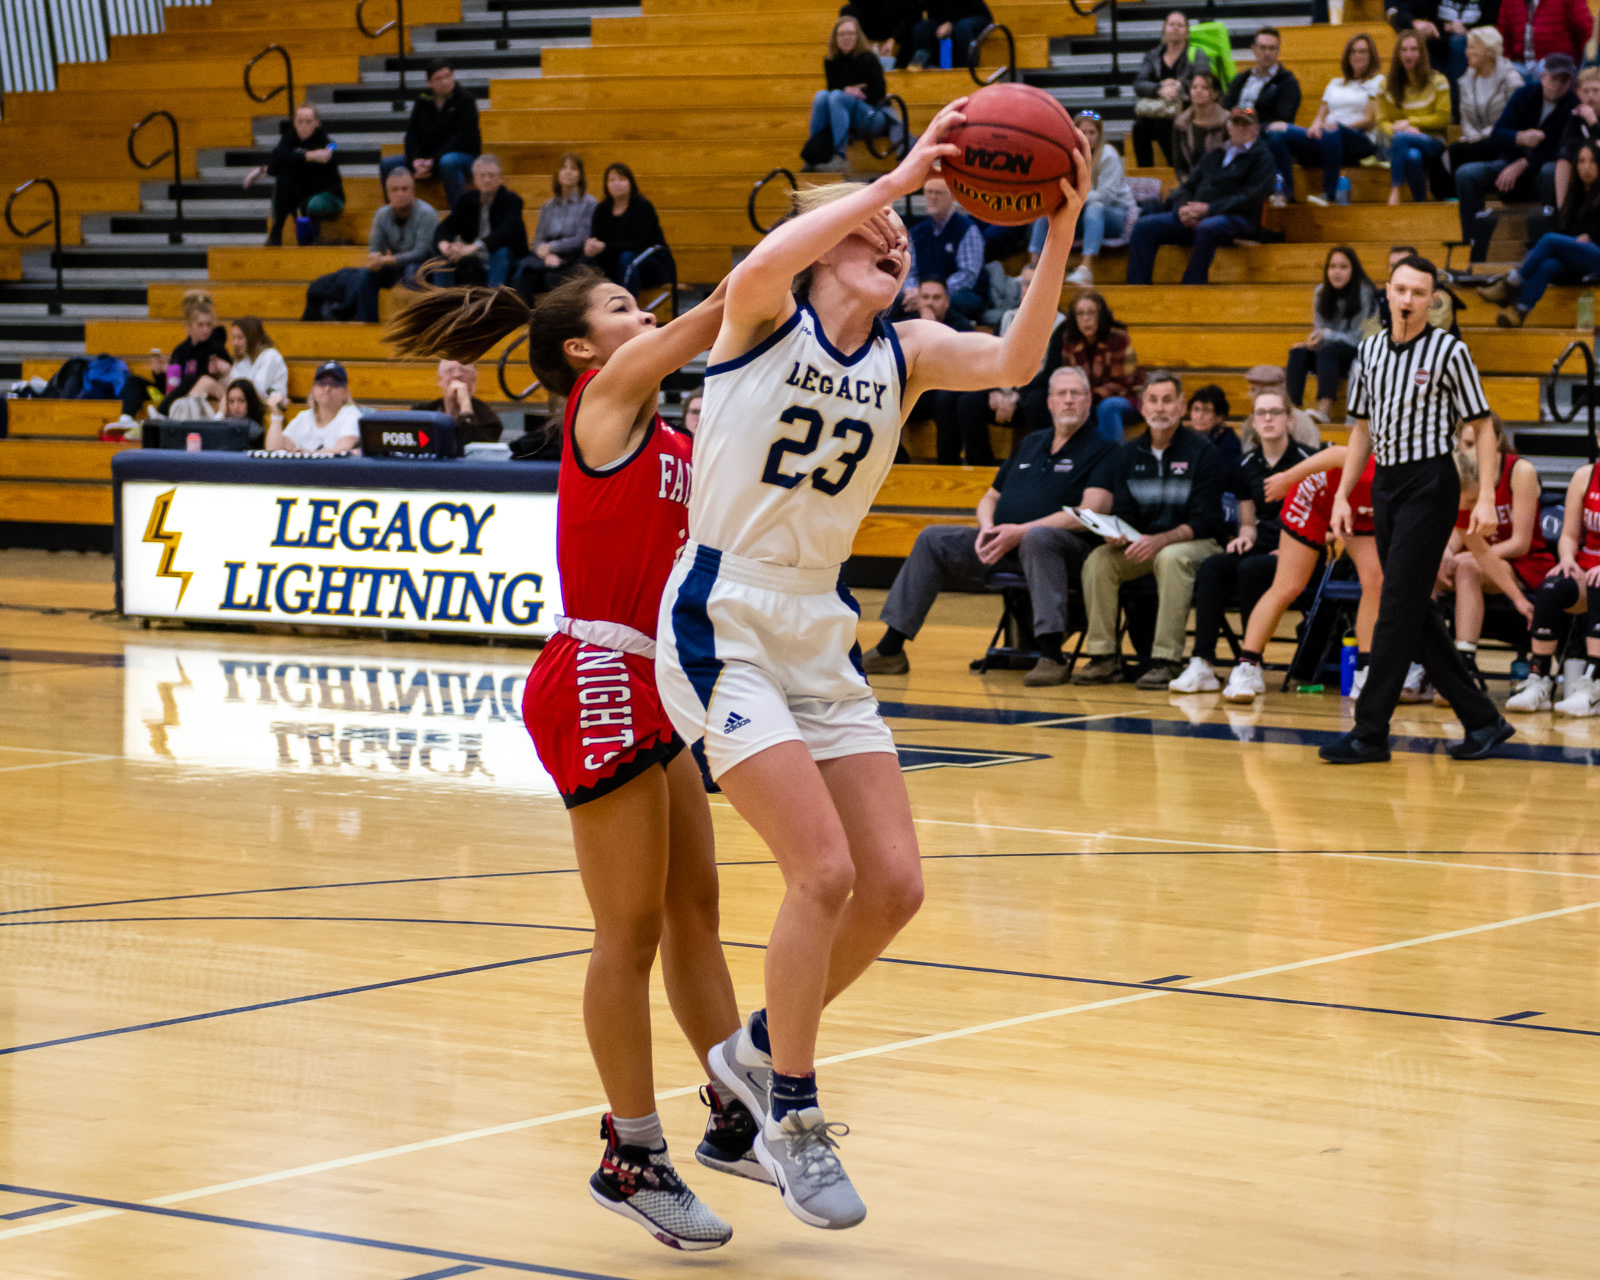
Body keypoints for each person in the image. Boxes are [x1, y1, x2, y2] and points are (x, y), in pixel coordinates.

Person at [652, 102, 1089, 1228]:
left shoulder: (907, 351)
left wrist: (1058, 225)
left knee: (893, 884)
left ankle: (754, 1052)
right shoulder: (762, 316)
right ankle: (791, 1115)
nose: (893, 242)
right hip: (721, 611)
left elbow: (1017, 357)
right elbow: (762, 259)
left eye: (900, 237)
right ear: (825, 243)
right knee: (822, 871)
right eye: (868, 232)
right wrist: (896, 183)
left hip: (817, 619)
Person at [384, 265, 767, 1250]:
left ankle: (734, 1111)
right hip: (596, 668)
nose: (645, 314)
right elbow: (719, 310)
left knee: (694, 911)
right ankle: (631, 1154)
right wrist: (832, 238)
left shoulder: (669, 437)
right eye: (621, 308)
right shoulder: (602, 401)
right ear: (582, 350)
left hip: (655, 674)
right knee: (626, 929)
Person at [1319, 254, 1514, 763]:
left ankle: (1369, 730)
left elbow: (1483, 426)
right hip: (1386, 484)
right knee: (1413, 610)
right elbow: (1361, 429)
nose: (1408, 300)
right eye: (1401, 290)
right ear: (1387, 292)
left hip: (1430, 483)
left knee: (1395, 604)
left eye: (1419, 293)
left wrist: (1487, 495)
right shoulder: (1369, 351)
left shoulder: (1450, 351)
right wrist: (1342, 494)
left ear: (1433, 301)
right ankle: (1484, 720)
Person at [866, 366, 1117, 684]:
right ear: (1049, 402)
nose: (1068, 400)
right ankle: (890, 649)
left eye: (1076, 394)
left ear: (1089, 401)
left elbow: (1091, 511)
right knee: (933, 538)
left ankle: (1052, 655)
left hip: (1063, 552)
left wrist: (1020, 532)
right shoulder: (1030, 443)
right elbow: (990, 498)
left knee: (1039, 538)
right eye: (1061, 394)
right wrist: (987, 529)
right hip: (1003, 544)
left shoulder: (1104, 450)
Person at [1072, 372, 1225, 689]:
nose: (1160, 408)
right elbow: (1125, 511)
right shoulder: (1127, 454)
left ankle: (1167, 660)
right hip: (1146, 544)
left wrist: (1160, 540)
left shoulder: (1203, 452)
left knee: (1171, 557)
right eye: (1152, 401)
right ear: (1142, 407)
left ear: (1181, 406)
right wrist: (1116, 533)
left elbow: (1206, 520)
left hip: (1199, 544)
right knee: (1100, 560)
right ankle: (1103, 657)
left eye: (1168, 400)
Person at [1169, 388, 1319, 692]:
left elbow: (1324, 521)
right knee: (1214, 566)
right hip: (1263, 546)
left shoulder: (1308, 460)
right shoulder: (1245, 464)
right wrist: (1244, 537)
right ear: (1253, 421)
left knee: (1251, 569)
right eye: (1261, 413)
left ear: (1289, 420)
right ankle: (1202, 663)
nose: (1268, 419)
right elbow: (1249, 523)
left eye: (1275, 412)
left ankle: (1251, 665)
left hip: (1303, 549)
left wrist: (1293, 550)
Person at [1220, 444, 1383, 702]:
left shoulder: (1421, 485)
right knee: (1289, 585)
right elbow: (1336, 454)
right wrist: (1287, 478)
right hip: (1316, 497)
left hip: (1360, 507)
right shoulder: (1381, 464)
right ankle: (1246, 667)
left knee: (1375, 581)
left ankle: (1366, 670)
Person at [1439, 417, 1552, 678]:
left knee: (1467, 566)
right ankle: (1419, 661)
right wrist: (1446, 551)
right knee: (1427, 570)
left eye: (1477, 443)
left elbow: (1520, 544)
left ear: (1497, 440)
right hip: (1477, 557)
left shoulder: (1519, 471)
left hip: (1521, 562)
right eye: (1467, 444)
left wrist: (1463, 555)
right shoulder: (1456, 477)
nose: (1473, 452)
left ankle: (1464, 661)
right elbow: (1461, 533)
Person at [1126, 106, 1277, 286]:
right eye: (1236, 124)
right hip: (1199, 215)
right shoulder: (1215, 154)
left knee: (1208, 226)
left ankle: (1193, 285)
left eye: (1246, 125)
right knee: (1145, 226)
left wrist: (1209, 210)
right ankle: (1137, 287)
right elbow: (1187, 187)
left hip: (1239, 218)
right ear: (1228, 127)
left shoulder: (1263, 158)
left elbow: (1251, 197)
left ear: (1256, 129)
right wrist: (1182, 209)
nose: (1240, 129)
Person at [938, 264, 1067, 464]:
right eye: (1026, 284)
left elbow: (1051, 371)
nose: (1029, 289)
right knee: (968, 403)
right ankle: (980, 467)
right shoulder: (1007, 317)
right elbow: (994, 359)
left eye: (1036, 284)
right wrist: (995, 390)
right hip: (1006, 386)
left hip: (1035, 390)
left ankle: (1041, 464)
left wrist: (1016, 396)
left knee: (1036, 402)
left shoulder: (1061, 323)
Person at [1455, 55, 1578, 262]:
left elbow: (1563, 150)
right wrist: (1518, 137)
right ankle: (1474, 241)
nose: (1558, 84)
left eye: (1564, 80)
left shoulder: (1572, 104)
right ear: (1543, 76)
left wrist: (1525, 163)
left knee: (1552, 171)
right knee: (1466, 174)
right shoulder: (1525, 94)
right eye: (1554, 78)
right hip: (1508, 162)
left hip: (1540, 169)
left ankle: (1542, 248)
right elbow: (1497, 134)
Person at [1504, 458, 1600, 715]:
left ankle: (1594, 684)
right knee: (1551, 587)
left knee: (1599, 588)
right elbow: (1569, 535)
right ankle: (1539, 680)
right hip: (1588, 567)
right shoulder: (1585, 476)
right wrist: (1567, 559)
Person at [1478, 141, 1600, 325]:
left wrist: (1592, 236)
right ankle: (1519, 311)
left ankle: (1511, 283)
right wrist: (1572, 241)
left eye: (1592, 161)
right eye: (1582, 161)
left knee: (1549, 240)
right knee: (1548, 265)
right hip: (1578, 253)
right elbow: (1565, 230)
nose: (1586, 167)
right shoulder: (1575, 193)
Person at [1265, 34, 1382, 206]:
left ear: (1371, 56)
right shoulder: (1335, 83)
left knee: (1332, 130)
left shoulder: (1377, 81)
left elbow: (1369, 120)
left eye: (1363, 51)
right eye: (1353, 51)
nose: (1357, 55)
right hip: (1329, 135)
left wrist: (1338, 126)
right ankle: (1285, 193)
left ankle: (1330, 193)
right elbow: (1321, 115)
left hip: (1358, 137)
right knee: (1276, 132)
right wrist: (1314, 128)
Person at [1022, 291, 1138, 446]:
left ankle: (1111, 456)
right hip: (1087, 396)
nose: (1086, 318)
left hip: (1123, 397)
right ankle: (1055, 452)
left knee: (1107, 406)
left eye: (1091, 313)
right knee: (1051, 401)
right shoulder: (1070, 339)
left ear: (1101, 315)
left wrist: (1088, 396)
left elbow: (1122, 384)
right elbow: (1071, 378)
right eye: (1080, 314)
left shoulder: (1118, 337)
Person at [1285, 246, 1379, 421]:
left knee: (1327, 350)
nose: (1337, 272)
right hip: (1327, 355)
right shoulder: (1320, 293)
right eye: (1332, 267)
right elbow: (1319, 330)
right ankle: (1290, 411)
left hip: (1353, 354)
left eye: (1343, 267)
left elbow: (1357, 338)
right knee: (1297, 352)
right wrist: (1311, 343)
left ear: (1353, 270)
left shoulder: (1363, 293)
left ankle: (1324, 410)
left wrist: (1328, 335)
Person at [385, 60, 481, 208]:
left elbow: (463, 139)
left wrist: (433, 162)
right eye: (438, 78)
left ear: (453, 75)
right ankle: (393, 213)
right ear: (429, 82)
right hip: (428, 159)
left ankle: (460, 215)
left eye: (447, 76)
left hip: (463, 157)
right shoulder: (422, 100)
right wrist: (414, 161)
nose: (444, 82)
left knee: (448, 162)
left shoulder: (466, 100)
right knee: (388, 164)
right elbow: (411, 135)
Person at [120, 290, 230, 419]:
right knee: (133, 380)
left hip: (195, 395)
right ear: (189, 326)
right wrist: (160, 373)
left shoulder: (216, 348)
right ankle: (126, 417)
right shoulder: (180, 350)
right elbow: (169, 383)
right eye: (200, 325)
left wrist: (219, 370)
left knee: (193, 377)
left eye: (209, 325)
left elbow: (223, 375)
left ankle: (162, 412)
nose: (206, 329)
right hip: (173, 393)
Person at [807, 16, 892, 173]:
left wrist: (860, 93)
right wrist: (849, 91)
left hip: (873, 114)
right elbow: (834, 89)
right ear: (835, 38)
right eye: (842, 34)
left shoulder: (869, 59)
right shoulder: (830, 61)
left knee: (837, 97)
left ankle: (840, 156)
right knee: (821, 96)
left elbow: (879, 93)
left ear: (857, 36)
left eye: (850, 33)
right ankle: (814, 155)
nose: (846, 38)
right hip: (843, 112)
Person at [1378, 30, 1453, 206]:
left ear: (1422, 53)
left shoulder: (1438, 80)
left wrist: (1410, 123)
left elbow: (1443, 119)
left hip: (1433, 140)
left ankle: (1395, 189)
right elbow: (1382, 121)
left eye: (1413, 49)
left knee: (1401, 138)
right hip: (1401, 140)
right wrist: (1400, 130)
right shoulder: (1386, 84)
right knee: (1412, 156)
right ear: (1397, 54)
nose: (1408, 54)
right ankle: (1420, 203)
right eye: (1403, 50)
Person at [514, 153, 599, 301]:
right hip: (547, 257)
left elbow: (581, 238)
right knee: (522, 274)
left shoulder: (589, 203)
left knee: (553, 278)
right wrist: (548, 255)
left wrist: (552, 248)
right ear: (558, 174)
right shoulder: (548, 206)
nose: (568, 171)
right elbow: (538, 241)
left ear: (580, 175)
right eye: (564, 168)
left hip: (574, 257)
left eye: (573, 168)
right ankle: (523, 314)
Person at [1065, 111, 1137, 287]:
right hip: (1084, 213)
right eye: (1083, 132)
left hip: (1117, 215)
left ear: (1099, 135)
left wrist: (1075, 198)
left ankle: (1085, 268)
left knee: (1095, 206)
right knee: (1050, 213)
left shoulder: (1108, 155)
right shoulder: (1069, 156)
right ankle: (1034, 266)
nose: (1087, 137)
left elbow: (1107, 196)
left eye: (1092, 133)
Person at [1131, 12, 1211, 168]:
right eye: (1171, 24)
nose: (1175, 28)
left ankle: (1177, 171)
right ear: (1164, 28)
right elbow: (1138, 84)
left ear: (1186, 31)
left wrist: (1178, 86)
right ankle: (1145, 173)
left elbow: (1204, 80)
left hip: (1186, 108)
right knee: (1139, 127)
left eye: (1180, 25)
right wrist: (1159, 88)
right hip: (1159, 108)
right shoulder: (1153, 55)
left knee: (1164, 127)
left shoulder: (1196, 54)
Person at [359, 167, 440, 324]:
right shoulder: (382, 214)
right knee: (366, 274)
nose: (400, 194)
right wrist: (374, 258)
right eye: (394, 190)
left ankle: (414, 324)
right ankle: (368, 324)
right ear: (387, 193)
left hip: (427, 267)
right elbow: (375, 249)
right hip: (396, 266)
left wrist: (388, 259)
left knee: (412, 271)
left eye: (405, 189)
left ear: (413, 191)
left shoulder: (427, 213)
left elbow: (421, 252)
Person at [434, 154, 527, 289]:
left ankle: (494, 298)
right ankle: (442, 298)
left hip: (502, 253)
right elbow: (447, 226)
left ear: (500, 178)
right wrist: (445, 245)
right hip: (472, 253)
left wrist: (474, 247)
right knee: (442, 258)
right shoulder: (466, 200)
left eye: (491, 175)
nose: (487, 179)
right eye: (482, 175)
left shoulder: (512, 200)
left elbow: (507, 231)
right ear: (475, 179)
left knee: (502, 252)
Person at [902, 175, 985, 321]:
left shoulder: (967, 230)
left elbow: (968, 275)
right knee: (897, 302)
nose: (933, 198)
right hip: (923, 292)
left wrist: (934, 293)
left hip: (960, 293)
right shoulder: (917, 231)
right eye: (929, 192)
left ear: (953, 196)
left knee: (940, 304)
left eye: (939, 193)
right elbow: (909, 271)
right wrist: (912, 290)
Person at [264, 103, 344, 247]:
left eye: (308, 122)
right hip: (301, 193)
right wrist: (307, 156)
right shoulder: (289, 139)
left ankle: (310, 240)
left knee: (309, 204)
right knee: (282, 182)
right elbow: (274, 164)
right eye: (299, 122)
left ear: (316, 123)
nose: (303, 126)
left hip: (326, 193)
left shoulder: (325, 143)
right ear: (294, 123)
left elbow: (315, 171)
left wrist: (293, 160)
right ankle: (276, 233)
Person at [1449, 27, 1525, 179]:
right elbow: (1465, 118)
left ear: (1488, 50)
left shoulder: (1511, 80)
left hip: (1503, 140)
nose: (1467, 52)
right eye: (1467, 47)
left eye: (1472, 47)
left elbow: (1515, 120)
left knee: (1467, 151)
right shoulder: (1467, 78)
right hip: (1476, 139)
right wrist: (1473, 136)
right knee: (1451, 152)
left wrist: (1482, 136)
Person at [585, 164, 673, 291]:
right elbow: (597, 238)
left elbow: (640, 243)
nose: (616, 183)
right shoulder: (602, 209)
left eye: (621, 179)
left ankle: (626, 301)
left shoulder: (643, 206)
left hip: (649, 259)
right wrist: (591, 246)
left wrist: (605, 246)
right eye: (612, 180)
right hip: (616, 260)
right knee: (586, 263)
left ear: (630, 182)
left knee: (627, 259)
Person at [266, 361, 361, 454]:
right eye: (322, 383)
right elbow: (274, 451)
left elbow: (343, 450)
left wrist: (310, 454)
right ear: (313, 389)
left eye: (334, 384)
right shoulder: (304, 417)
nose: (327, 388)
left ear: (345, 392)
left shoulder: (351, 414)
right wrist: (276, 415)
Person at [1223, 28, 1302, 137]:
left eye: (1272, 48)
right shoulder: (1240, 79)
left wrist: (1251, 126)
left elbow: (1283, 119)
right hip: (1234, 130)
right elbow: (1227, 108)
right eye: (1263, 48)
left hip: (1265, 136)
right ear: (1254, 49)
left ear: (1278, 51)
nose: (1267, 53)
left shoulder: (1288, 82)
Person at [410, 359, 503, 444]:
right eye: (450, 370)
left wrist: (466, 408)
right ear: (440, 379)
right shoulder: (420, 413)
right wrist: (450, 409)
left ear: (473, 378)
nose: (457, 374)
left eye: (463, 370)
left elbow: (473, 450)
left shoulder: (488, 419)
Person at [1497, 0, 1591, 78]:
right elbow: (1504, 37)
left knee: (1547, 70)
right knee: (1505, 73)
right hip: (1520, 64)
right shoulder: (1510, 2)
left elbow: (1585, 31)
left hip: (1556, 63)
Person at [1243, 363, 1323, 449]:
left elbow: (1311, 454)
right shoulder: (1251, 421)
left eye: (1254, 390)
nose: (1250, 395)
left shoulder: (1301, 421)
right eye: (1251, 389)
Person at [1172, 70, 1230, 181]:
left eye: (1204, 88)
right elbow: (1180, 166)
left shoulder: (1227, 121)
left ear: (1215, 94)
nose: (1198, 91)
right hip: (1191, 182)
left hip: (1221, 181)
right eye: (1194, 87)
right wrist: (1188, 184)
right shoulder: (1181, 123)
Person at [1554, 68, 1600, 205]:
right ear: (1578, 93)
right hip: (1583, 157)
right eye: (1586, 91)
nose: (1590, 96)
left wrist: (1593, 123)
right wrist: (1589, 145)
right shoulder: (1577, 114)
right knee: (1563, 157)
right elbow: (1566, 142)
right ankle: (1562, 209)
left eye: (1595, 91)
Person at [906, 0, 992, 71]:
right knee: (921, 27)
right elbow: (918, 9)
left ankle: (967, 67)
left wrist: (950, 23)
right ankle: (924, 63)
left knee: (963, 27)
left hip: (976, 16)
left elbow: (968, 10)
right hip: (945, 21)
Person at [1186, 384, 1240, 465]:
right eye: (1196, 409)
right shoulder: (1183, 438)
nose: (1199, 416)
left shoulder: (1229, 443)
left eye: (1206, 411)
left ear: (1219, 417)